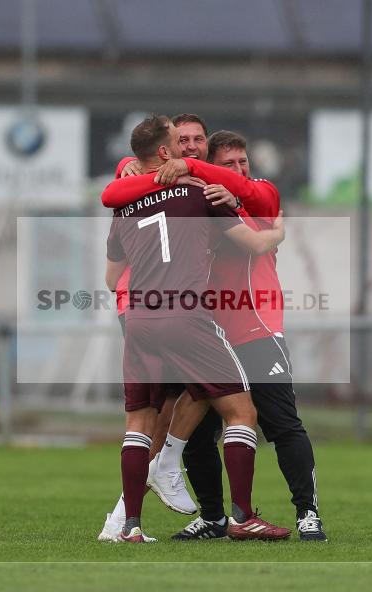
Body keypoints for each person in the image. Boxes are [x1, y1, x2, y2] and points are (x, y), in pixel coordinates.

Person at [100, 129, 328, 542]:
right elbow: (255, 242)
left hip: (238, 327)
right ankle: (223, 517)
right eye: (182, 140)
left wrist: (145, 171)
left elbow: (112, 264)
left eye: (242, 162)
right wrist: (274, 232)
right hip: (196, 323)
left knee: (278, 423)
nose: (237, 170)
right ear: (169, 152)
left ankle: (306, 513)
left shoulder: (250, 191)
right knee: (214, 422)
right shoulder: (198, 195)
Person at [96, 114, 213, 542]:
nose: (190, 147)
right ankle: (160, 472)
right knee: (189, 400)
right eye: (182, 139)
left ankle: (123, 522)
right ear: (165, 150)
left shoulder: (133, 187)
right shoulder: (182, 189)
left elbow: (111, 274)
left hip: (139, 310)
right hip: (162, 307)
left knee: (148, 415)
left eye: (197, 139)